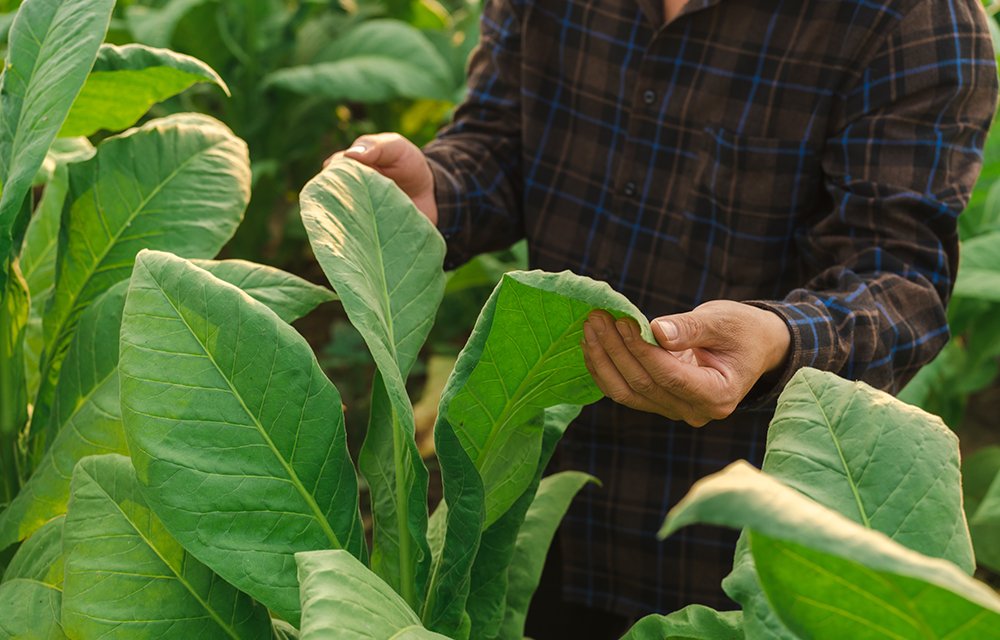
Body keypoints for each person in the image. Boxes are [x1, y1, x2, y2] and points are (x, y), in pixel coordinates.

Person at [331, 0, 998, 636]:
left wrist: (779, 339)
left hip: (719, 535)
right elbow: (503, 139)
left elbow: (898, 278)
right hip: (518, 481)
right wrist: (438, 192)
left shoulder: (912, 19)